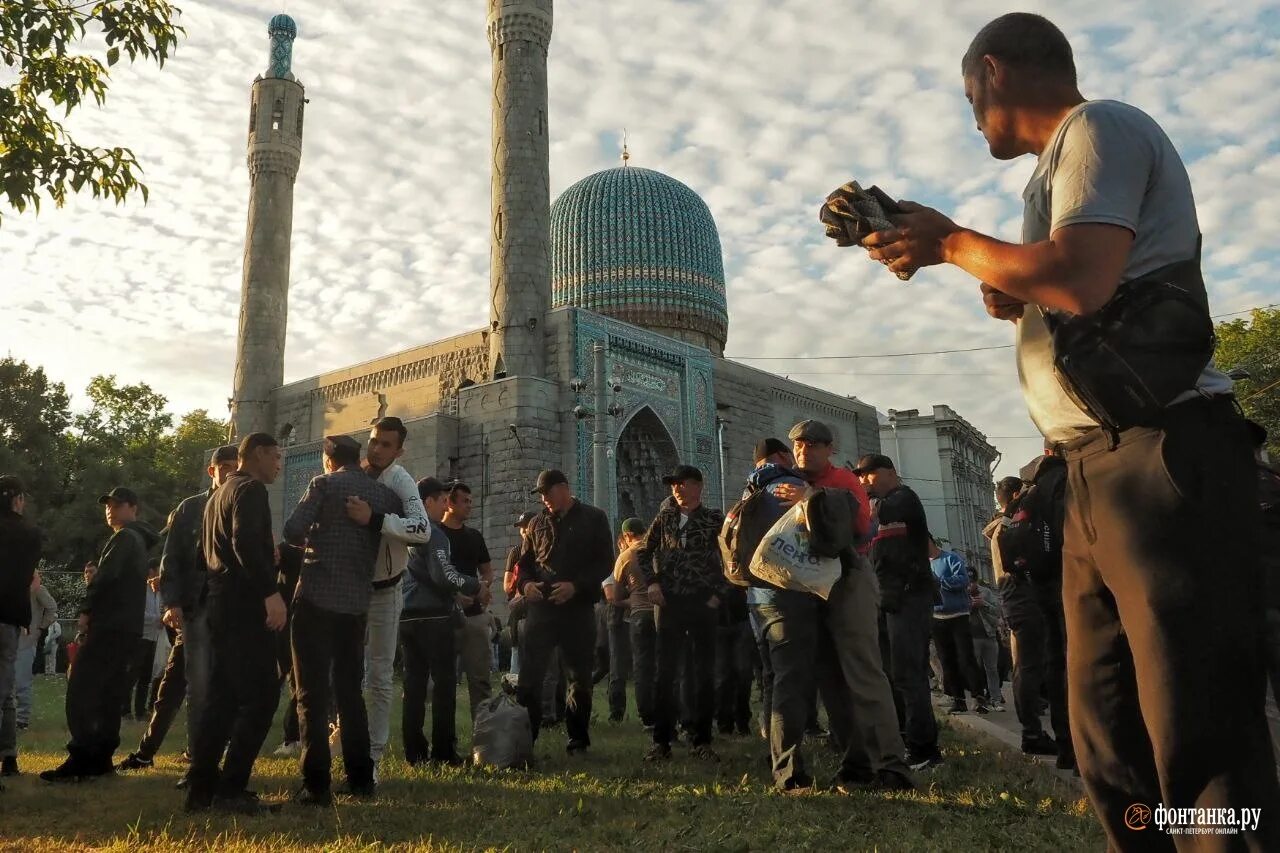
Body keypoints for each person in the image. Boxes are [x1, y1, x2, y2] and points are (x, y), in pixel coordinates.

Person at [858, 12, 1280, 843]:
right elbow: (1069, 283)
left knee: (1198, 730)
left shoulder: (1100, 127)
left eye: (968, 93)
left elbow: (1082, 278)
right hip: (1094, 471)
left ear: (994, 71)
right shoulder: (1046, 178)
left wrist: (949, 242)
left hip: (1164, 456)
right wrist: (997, 278)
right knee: (1107, 737)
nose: (969, 111)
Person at [759, 423, 912, 792]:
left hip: (847, 581)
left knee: (862, 672)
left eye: (813, 445)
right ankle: (855, 765)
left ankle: (892, 766)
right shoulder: (784, 480)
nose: (804, 451)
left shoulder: (844, 479)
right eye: (798, 444)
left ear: (829, 448)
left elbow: (861, 530)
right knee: (830, 680)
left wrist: (811, 498)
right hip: (805, 590)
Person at [282, 434, 403, 806]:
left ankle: (316, 783)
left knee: (311, 695)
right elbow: (399, 523)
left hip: (316, 599)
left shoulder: (323, 484)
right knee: (351, 694)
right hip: (355, 606)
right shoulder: (380, 495)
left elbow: (292, 530)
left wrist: (316, 537)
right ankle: (360, 777)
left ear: (328, 458)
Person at [119, 445, 238, 776]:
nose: (229, 471)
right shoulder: (192, 508)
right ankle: (188, 758)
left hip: (227, 609)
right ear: (211, 470)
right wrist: (171, 603)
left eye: (234, 465)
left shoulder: (243, 503)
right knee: (187, 684)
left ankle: (168, 753)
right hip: (195, 608)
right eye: (223, 466)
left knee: (187, 684)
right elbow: (172, 558)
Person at [184, 433, 287, 814]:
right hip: (244, 604)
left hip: (219, 602)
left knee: (222, 699)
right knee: (262, 696)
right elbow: (243, 542)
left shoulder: (219, 494)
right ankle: (232, 788)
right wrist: (269, 592)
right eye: (276, 456)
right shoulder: (251, 489)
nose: (279, 463)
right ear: (258, 454)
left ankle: (201, 787)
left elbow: (207, 552)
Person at [43, 486, 159, 783]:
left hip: (109, 626)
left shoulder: (124, 538)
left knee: (82, 691)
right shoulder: (140, 541)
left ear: (133, 508)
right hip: (128, 630)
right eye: (108, 504)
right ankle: (102, 759)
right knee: (109, 696)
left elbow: (105, 580)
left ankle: (82, 758)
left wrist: (86, 610)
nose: (110, 509)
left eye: (118, 504)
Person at [341, 416, 429, 771]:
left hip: (385, 590)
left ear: (399, 449)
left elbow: (422, 529)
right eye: (374, 441)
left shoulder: (400, 480)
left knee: (378, 674)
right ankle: (344, 737)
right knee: (344, 670)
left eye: (386, 444)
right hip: (348, 588)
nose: (377, 449)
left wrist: (376, 519)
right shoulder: (352, 474)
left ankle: (373, 758)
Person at [513, 469, 614, 753]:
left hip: (577, 609)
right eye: (541, 495)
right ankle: (525, 741)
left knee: (579, 677)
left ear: (564, 489)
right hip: (541, 611)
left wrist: (576, 586)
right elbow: (525, 563)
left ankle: (577, 739)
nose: (544, 499)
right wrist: (526, 584)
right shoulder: (536, 524)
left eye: (548, 492)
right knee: (530, 677)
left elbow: (605, 562)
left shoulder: (594, 518)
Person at [854, 452, 939, 770]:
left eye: (868, 474)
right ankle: (905, 739)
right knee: (892, 675)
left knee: (909, 674)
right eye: (859, 476)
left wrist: (856, 496)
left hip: (910, 598)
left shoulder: (903, 498)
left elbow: (877, 513)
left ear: (890, 472)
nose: (864, 481)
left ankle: (925, 750)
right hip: (887, 601)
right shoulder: (879, 507)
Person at [637, 464, 726, 763]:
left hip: (702, 602)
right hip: (670, 602)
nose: (676, 489)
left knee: (703, 672)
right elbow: (643, 551)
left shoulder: (714, 519)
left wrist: (717, 595)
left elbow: (730, 558)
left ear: (698, 486)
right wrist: (652, 583)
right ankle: (662, 741)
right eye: (673, 484)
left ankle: (702, 739)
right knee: (665, 673)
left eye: (682, 483)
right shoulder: (666, 517)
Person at [400, 477, 482, 765]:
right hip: (434, 617)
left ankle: (414, 752)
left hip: (407, 616)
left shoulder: (402, 531)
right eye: (440, 499)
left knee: (414, 686)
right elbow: (444, 575)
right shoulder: (432, 533)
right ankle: (444, 752)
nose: (445, 504)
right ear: (426, 503)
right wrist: (472, 584)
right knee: (444, 685)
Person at [986, 477, 1060, 757]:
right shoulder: (1011, 527)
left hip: (1012, 598)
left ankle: (1031, 729)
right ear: (1017, 495)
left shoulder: (1000, 525)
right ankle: (1032, 732)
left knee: (1025, 666)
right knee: (1028, 666)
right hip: (1020, 597)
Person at [439, 481, 494, 721]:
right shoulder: (436, 536)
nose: (469, 506)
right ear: (449, 503)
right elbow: (434, 574)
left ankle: (484, 735)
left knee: (480, 679)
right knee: (444, 680)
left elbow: (488, 572)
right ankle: (445, 741)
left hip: (474, 616)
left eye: (471, 501)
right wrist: (453, 596)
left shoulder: (474, 536)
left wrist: (484, 587)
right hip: (444, 616)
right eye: (465, 501)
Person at [0, 475, 41, 786]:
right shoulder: (29, 533)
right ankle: (9, 756)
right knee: (6, 690)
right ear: (16, 499)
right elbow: (28, 577)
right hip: (11, 616)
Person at [928, 540, 989, 715]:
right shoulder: (924, 564)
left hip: (958, 616)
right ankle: (958, 699)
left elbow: (963, 580)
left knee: (966, 657)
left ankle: (979, 697)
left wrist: (941, 582)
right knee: (946, 660)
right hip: (937, 617)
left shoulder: (951, 558)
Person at [613, 517, 654, 728]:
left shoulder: (626, 556)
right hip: (661, 614)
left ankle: (648, 717)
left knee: (642, 667)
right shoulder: (658, 550)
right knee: (664, 665)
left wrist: (631, 598)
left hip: (639, 615)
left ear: (627, 536)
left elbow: (616, 595)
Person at [13, 572, 57, 732]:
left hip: (26, 641)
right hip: (10, 640)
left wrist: (40, 628)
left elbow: (52, 607)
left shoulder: (36, 588)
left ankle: (22, 720)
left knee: (21, 681)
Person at [121, 561, 164, 721]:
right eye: (158, 570)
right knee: (132, 674)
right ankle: (124, 710)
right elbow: (138, 613)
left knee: (146, 676)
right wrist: (157, 619)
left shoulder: (158, 592)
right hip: (140, 636)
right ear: (151, 571)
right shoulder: (140, 590)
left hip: (153, 636)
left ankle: (140, 711)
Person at [503, 510, 537, 680]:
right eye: (521, 528)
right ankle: (515, 680)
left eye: (527, 527)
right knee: (517, 646)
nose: (523, 531)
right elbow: (507, 584)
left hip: (539, 605)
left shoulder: (544, 547)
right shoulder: (516, 552)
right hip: (520, 606)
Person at [966, 570, 1004, 713]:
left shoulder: (986, 592)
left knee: (992, 669)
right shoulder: (961, 593)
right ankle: (978, 699)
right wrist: (970, 606)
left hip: (989, 635)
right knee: (974, 669)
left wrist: (984, 604)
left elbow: (997, 610)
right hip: (971, 636)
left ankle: (995, 699)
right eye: (969, 581)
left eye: (973, 581)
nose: (971, 585)